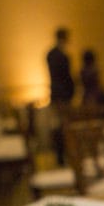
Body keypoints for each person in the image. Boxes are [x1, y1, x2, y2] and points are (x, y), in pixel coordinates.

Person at [46, 26, 75, 164]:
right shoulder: (62, 56)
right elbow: (66, 78)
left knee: (58, 126)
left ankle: (60, 156)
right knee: (63, 127)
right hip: (63, 96)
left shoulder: (50, 54)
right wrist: (71, 93)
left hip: (55, 95)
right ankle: (63, 155)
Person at [80, 48, 104, 117]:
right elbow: (99, 83)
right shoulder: (94, 70)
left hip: (88, 96)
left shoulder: (83, 71)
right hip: (96, 96)